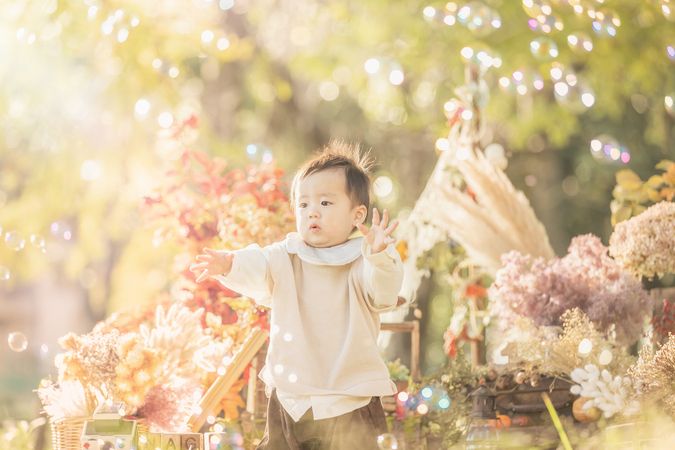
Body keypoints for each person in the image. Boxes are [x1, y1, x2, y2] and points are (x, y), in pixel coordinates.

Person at [190, 140, 403, 449]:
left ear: (358, 215)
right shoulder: (286, 255)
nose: (312, 212)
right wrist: (229, 263)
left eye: (326, 203)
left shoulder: (363, 259)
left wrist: (381, 257)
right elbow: (258, 264)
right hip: (291, 397)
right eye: (303, 205)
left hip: (348, 398)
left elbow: (383, 292)